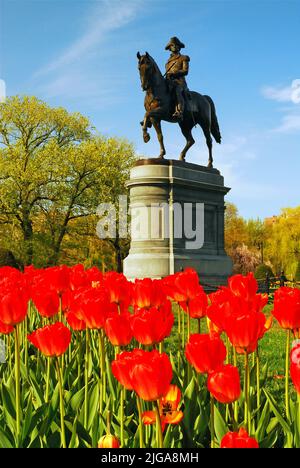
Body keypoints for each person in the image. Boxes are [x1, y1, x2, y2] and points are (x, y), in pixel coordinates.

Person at [165, 37, 190, 120]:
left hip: (180, 82)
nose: (174, 46)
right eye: (172, 45)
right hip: (169, 82)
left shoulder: (183, 58)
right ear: (170, 48)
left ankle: (179, 111)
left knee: (177, 91)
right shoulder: (168, 61)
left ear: (179, 47)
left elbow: (185, 71)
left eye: (176, 45)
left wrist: (174, 73)